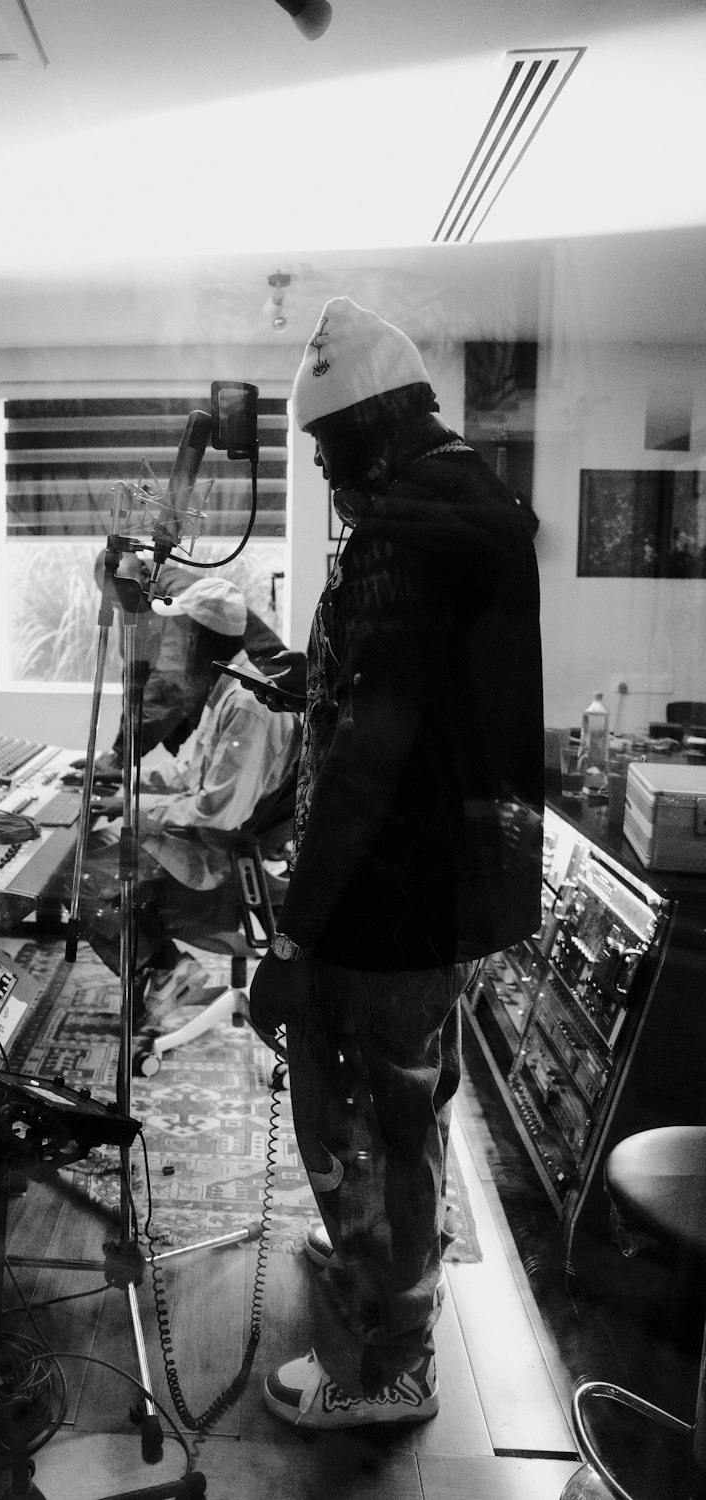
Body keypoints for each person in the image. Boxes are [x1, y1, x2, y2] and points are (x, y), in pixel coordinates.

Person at [249, 298, 545, 1430]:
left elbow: (368, 764)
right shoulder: (462, 514)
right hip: (430, 899)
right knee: (410, 1122)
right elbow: (373, 703)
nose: (327, 475)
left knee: (364, 1130)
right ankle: (394, 1308)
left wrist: (292, 939)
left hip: (376, 909)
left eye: (328, 448)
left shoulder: (400, 541)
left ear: (373, 426)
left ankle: (385, 1369)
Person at [74, 575, 301, 1015]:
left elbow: (219, 812)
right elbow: (189, 773)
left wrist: (132, 807)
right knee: (97, 850)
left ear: (197, 637)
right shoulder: (228, 691)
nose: (170, 646)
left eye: (177, 633)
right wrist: (129, 786)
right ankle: (165, 970)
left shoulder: (249, 706)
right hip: (212, 844)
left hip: (221, 861)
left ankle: (165, 968)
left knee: (86, 880)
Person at [89, 551, 301, 773]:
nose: (124, 607)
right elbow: (135, 676)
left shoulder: (181, 599)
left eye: (125, 598)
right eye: (117, 604)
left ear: (144, 572)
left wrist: (122, 756)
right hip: (235, 694)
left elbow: (170, 684)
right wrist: (119, 753)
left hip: (269, 703)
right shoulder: (132, 596)